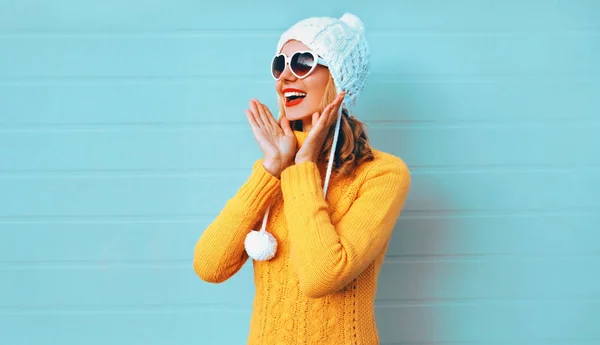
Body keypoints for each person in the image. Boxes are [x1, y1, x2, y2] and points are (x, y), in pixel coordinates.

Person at [193, 13, 411, 345]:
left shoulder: (381, 174)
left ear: (338, 79)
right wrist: (270, 170)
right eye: (279, 65)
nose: (285, 78)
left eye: (303, 62)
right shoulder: (274, 170)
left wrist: (303, 165)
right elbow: (209, 266)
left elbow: (321, 277)